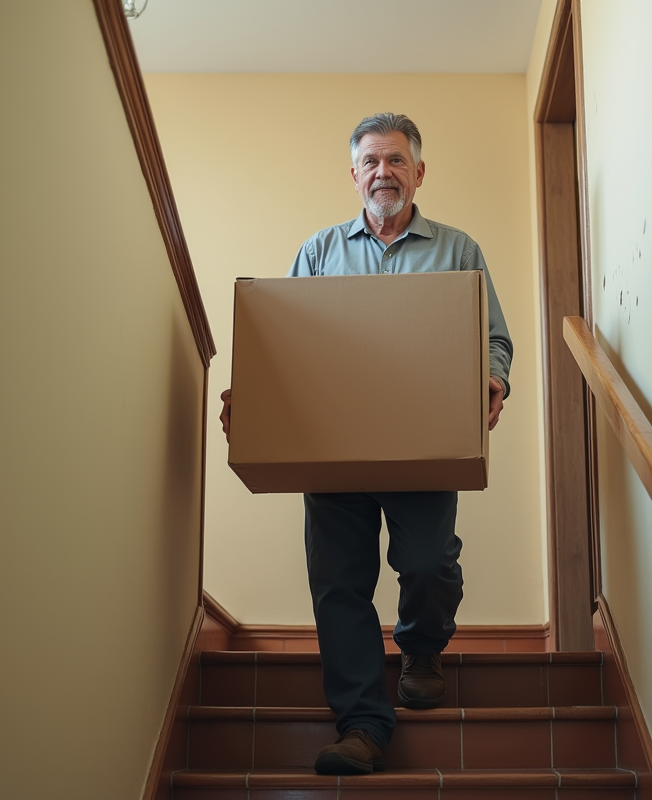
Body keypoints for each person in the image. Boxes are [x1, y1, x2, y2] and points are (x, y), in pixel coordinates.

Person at [218, 113, 513, 775]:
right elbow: (282, 343)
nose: (385, 172)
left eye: (397, 160)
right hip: (333, 449)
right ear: (355, 175)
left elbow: (493, 336)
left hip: (427, 445)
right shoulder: (318, 252)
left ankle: (421, 648)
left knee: (429, 563)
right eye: (372, 161)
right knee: (339, 586)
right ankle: (362, 724)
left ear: (419, 172)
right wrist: (255, 394)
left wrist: (495, 376)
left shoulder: (459, 249)